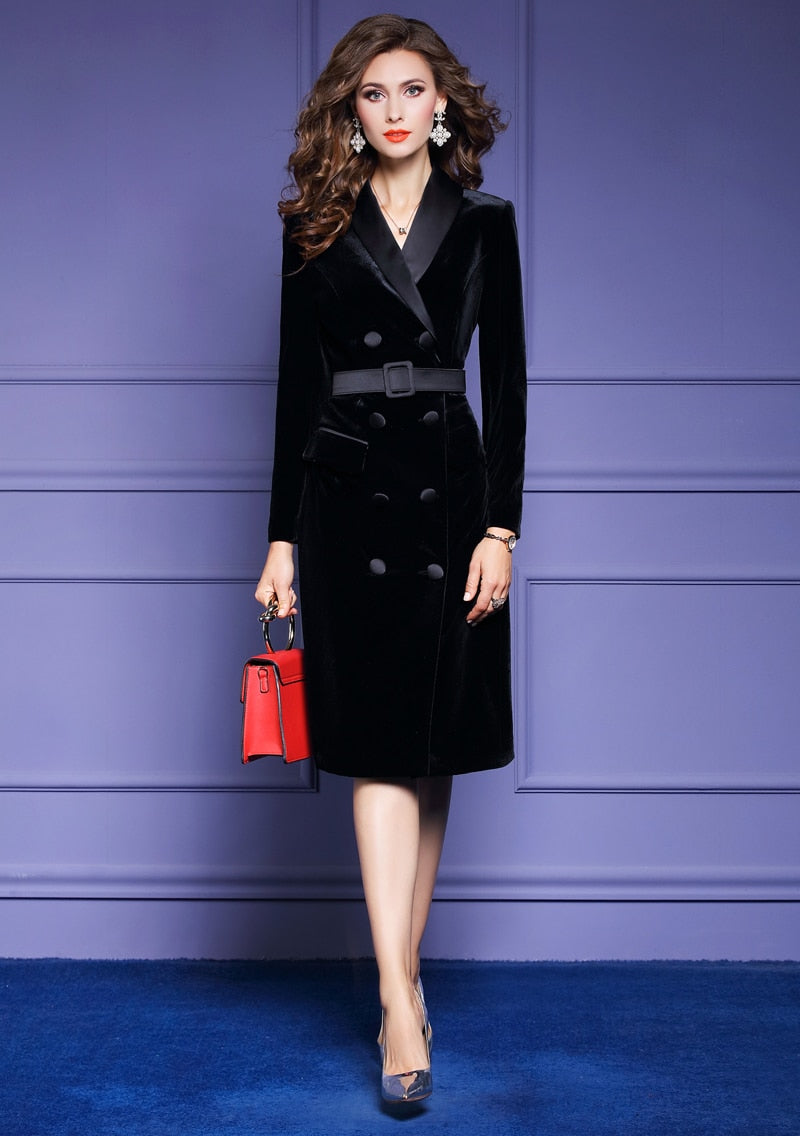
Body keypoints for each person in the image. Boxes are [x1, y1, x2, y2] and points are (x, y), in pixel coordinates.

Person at [255, 14, 526, 1105]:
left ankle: (401, 976)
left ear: (442, 103)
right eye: (373, 94)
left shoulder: (487, 222)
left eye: (412, 89)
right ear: (350, 113)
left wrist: (500, 530)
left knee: (433, 746)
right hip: (347, 500)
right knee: (374, 748)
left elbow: (508, 385)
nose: (395, 109)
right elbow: (293, 390)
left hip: (451, 499)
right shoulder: (313, 225)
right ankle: (398, 1003)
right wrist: (279, 538)